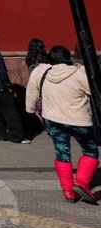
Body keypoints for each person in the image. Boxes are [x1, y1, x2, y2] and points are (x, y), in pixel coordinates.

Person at [26, 46, 97, 204]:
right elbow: (94, 89)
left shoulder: (42, 72)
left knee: (62, 153)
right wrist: (83, 70)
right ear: (68, 57)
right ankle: (81, 182)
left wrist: (30, 109)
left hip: (54, 121)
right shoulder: (78, 74)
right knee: (90, 151)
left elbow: (32, 90)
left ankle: (68, 191)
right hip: (79, 121)